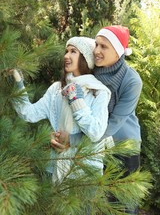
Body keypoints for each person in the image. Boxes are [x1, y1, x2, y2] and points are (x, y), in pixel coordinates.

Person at [11, 36, 111, 184]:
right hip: (54, 165)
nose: (66, 56)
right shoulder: (57, 89)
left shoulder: (99, 92)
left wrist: (77, 102)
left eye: (73, 51)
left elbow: (96, 132)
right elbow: (28, 113)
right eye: (66, 51)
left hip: (84, 172)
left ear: (86, 58)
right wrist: (18, 86)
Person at [93, 25, 142, 214]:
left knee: (124, 202)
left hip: (124, 144)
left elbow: (116, 122)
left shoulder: (131, 80)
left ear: (118, 51)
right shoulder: (91, 71)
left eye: (104, 47)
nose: (97, 50)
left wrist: (80, 139)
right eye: (96, 44)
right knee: (100, 203)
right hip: (96, 144)